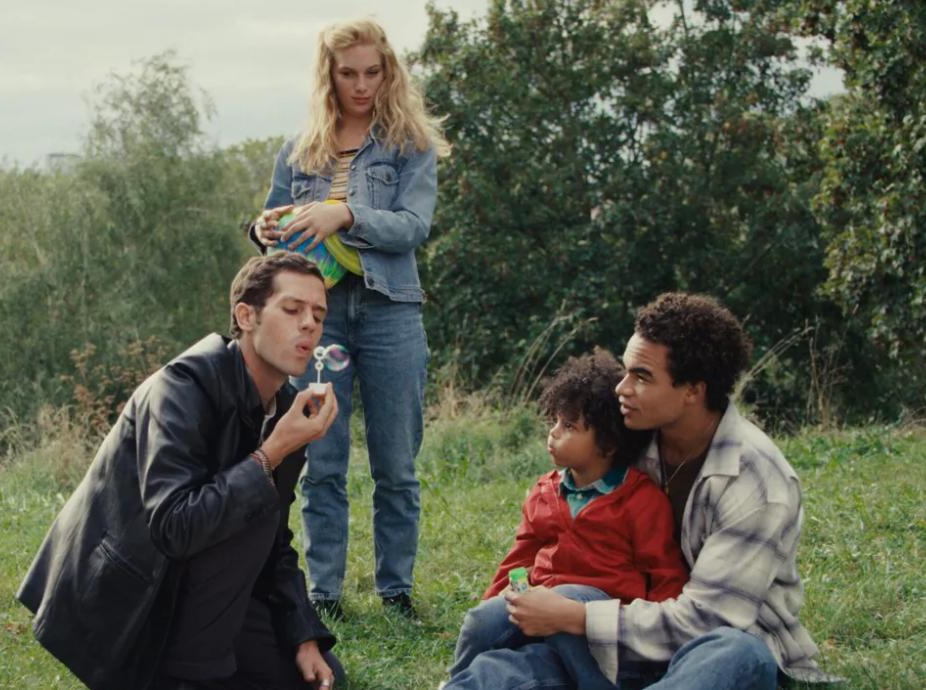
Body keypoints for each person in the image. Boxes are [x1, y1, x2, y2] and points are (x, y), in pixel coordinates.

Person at [444, 293, 835, 690]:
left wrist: (576, 617)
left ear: (692, 391)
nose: (622, 389)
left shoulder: (756, 480)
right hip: (614, 635)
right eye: (625, 372)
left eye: (642, 377)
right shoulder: (627, 442)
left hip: (707, 645)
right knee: (505, 669)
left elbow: (707, 621)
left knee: (738, 654)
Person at [16, 253, 344, 690]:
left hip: (203, 590)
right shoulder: (182, 388)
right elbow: (175, 525)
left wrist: (303, 634)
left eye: (318, 315)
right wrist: (273, 452)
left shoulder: (287, 408)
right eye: (292, 309)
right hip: (137, 601)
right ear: (246, 316)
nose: (309, 325)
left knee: (322, 676)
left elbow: (273, 540)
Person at [249, 18, 450, 618]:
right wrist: (262, 230)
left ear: (387, 72)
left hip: (391, 310)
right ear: (328, 76)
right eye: (348, 73)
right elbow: (276, 231)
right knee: (321, 459)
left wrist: (344, 215)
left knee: (395, 464)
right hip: (319, 319)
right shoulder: (298, 149)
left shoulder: (410, 145)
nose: (361, 85)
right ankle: (324, 595)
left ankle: (396, 592)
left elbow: (413, 228)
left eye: (372, 71)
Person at [447, 350, 687, 688]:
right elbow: (520, 557)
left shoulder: (641, 499)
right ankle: (455, 681)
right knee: (483, 619)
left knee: (567, 599)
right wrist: (497, 599)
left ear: (607, 443)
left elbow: (663, 572)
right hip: (540, 601)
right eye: (555, 422)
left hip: (598, 614)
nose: (554, 433)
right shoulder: (544, 491)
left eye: (570, 426)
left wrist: (660, 645)